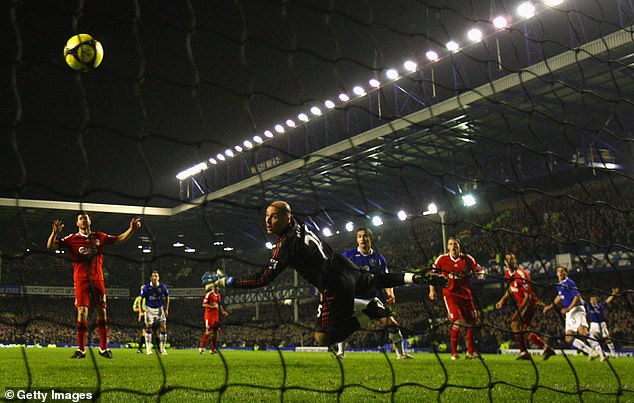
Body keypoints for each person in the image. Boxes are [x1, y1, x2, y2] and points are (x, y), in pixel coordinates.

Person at [202, 201, 448, 348]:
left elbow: (262, 279)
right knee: (374, 278)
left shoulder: (285, 244)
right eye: (266, 216)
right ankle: (414, 276)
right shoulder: (302, 226)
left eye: (272, 216)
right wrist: (413, 278)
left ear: (286, 218)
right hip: (345, 267)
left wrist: (227, 281)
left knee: (322, 337)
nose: (267, 220)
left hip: (332, 285)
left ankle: (369, 312)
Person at [46, 211, 141, 359]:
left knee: (102, 313)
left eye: (85, 218)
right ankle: (81, 350)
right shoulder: (72, 239)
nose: (83, 220)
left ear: (90, 221)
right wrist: (54, 233)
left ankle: (103, 349)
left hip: (98, 281)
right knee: (82, 312)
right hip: (81, 281)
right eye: (80, 219)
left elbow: (119, 239)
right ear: (77, 223)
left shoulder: (99, 237)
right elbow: (50, 246)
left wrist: (132, 230)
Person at [337, 228, 413, 359]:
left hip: (372, 300)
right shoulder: (348, 255)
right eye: (359, 236)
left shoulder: (379, 259)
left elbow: (386, 278)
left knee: (391, 323)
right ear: (357, 240)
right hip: (353, 299)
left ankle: (401, 354)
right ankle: (340, 353)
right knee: (342, 323)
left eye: (365, 236)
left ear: (370, 239)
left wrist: (390, 293)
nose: (362, 239)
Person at [429, 236, 484, 360]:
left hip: (466, 296)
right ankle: (454, 353)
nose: (453, 246)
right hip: (450, 295)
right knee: (457, 322)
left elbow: (480, 270)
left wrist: (480, 274)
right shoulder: (442, 259)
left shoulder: (467, 259)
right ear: (448, 246)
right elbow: (431, 275)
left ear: (459, 246)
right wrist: (432, 290)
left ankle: (470, 353)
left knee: (473, 323)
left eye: (455, 244)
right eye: (451, 244)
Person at [495, 253, 555, 360]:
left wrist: (520, 310)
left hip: (528, 303)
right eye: (508, 260)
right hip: (521, 302)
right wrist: (502, 300)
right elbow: (511, 287)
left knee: (515, 324)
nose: (510, 261)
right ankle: (544, 348)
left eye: (512, 259)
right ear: (505, 262)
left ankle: (525, 352)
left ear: (516, 260)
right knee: (522, 330)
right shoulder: (507, 273)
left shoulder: (522, 275)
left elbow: (528, 296)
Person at [543, 265, 605, 361]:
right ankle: (591, 352)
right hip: (569, 312)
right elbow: (559, 297)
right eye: (559, 271)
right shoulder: (559, 285)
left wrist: (568, 308)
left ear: (566, 273)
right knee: (568, 338)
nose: (560, 272)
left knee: (582, 332)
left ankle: (601, 353)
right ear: (556, 273)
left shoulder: (570, 283)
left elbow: (576, 297)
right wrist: (550, 306)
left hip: (576, 309)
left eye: (562, 271)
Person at [141, 270, 170, 355]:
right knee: (148, 327)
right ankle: (148, 348)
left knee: (163, 327)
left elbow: (168, 297)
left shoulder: (162, 286)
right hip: (149, 309)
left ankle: (162, 349)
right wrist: (140, 311)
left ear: (158, 278)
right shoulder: (146, 287)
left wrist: (166, 309)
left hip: (160, 309)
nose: (155, 277)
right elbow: (141, 299)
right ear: (151, 278)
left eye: (156, 276)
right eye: (153, 276)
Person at [585, 288, 619, 357]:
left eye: (594, 299)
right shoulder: (588, 306)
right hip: (593, 324)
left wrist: (613, 294)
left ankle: (613, 352)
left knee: (606, 338)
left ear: (596, 300)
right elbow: (581, 300)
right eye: (591, 299)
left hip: (601, 324)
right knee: (590, 338)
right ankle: (598, 352)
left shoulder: (600, 305)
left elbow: (607, 301)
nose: (592, 301)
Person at [199, 282, 229, 354]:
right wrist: (212, 307)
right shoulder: (209, 294)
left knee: (216, 333)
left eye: (218, 287)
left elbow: (219, 304)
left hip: (216, 316)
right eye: (215, 287)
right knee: (209, 332)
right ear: (213, 288)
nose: (217, 288)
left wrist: (223, 311)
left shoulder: (218, 295)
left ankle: (212, 349)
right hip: (209, 316)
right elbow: (204, 304)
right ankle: (201, 348)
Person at [132, 285, 146, 353]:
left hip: (151, 315)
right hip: (143, 316)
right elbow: (134, 309)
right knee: (145, 332)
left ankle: (141, 348)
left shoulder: (149, 298)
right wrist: (142, 310)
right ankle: (140, 348)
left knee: (149, 332)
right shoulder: (138, 298)